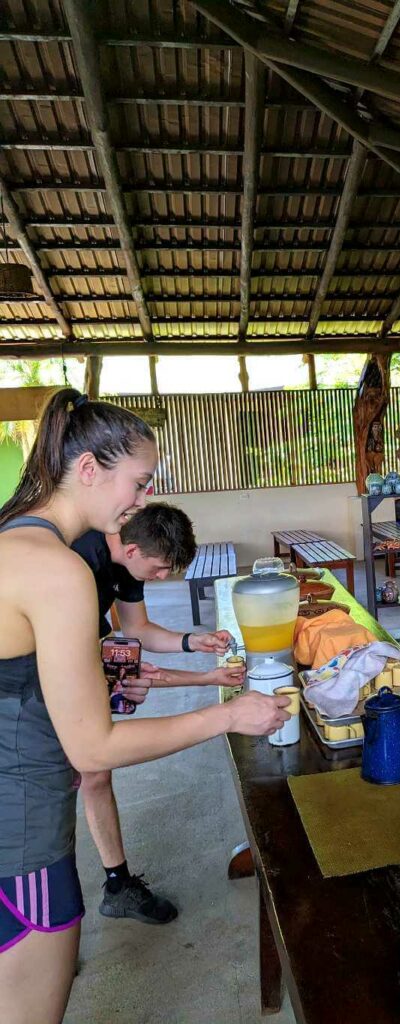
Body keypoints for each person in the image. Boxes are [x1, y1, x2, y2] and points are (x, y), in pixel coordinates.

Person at [0, 388, 290, 1024]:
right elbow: (94, 748)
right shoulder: (58, 570)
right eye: (138, 482)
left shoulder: (13, 538)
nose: (138, 502)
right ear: (87, 471)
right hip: (19, 828)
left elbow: (84, 667)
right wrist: (227, 713)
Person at [71, 503, 245, 926]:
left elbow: (138, 632)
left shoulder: (126, 562)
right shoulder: (76, 563)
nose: (164, 577)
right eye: (161, 567)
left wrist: (193, 642)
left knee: (94, 772)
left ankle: (116, 885)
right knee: (84, 767)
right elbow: (94, 655)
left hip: (81, 655)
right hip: (39, 673)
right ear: (132, 549)